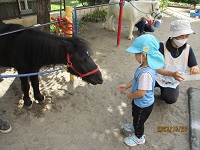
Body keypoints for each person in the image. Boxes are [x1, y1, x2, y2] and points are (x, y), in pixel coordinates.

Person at [118, 34, 164, 146]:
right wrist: (127, 85)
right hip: (140, 103)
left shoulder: (146, 74)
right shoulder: (144, 66)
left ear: (143, 55)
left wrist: (131, 95)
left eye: (136, 54)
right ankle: (134, 125)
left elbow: (141, 92)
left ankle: (139, 137)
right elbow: (135, 79)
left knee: (139, 121)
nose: (135, 56)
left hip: (143, 104)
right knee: (136, 116)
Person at [156, 19, 200, 104]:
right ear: (173, 35)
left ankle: (164, 92)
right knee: (143, 90)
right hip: (156, 77)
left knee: (170, 99)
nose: (184, 39)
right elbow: (155, 68)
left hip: (172, 80)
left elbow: (194, 65)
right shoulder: (161, 46)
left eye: (186, 36)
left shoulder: (188, 49)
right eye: (181, 36)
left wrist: (195, 68)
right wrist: (172, 74)